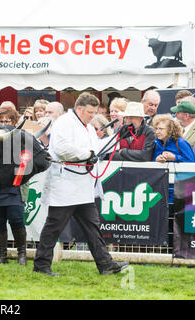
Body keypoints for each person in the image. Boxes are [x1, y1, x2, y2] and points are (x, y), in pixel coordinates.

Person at [34, 92, 129, 276]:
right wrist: (86, 154)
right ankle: (41, 265)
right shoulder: (64, 122)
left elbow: (96, 148)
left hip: (83, 186)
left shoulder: (87, 127)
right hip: (65, 185)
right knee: (54, 227)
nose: (93, 116)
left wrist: (116, 137)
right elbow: (62, 149)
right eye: (90, 112)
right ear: (79, 109)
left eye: (94, 112)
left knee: (92, 227)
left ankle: (105, 264)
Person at [0, 106, 28, 266]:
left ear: (14, 122)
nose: (5, 124)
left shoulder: (21, 139)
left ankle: (22, 254)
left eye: (8, 121)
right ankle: (2, 255)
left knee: (16, 219)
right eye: (2, 121)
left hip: (15, 188)